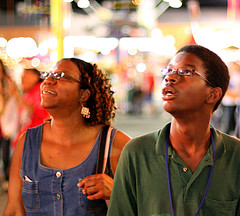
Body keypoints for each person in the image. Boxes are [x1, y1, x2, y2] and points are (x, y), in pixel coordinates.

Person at [107, 45, 240, 216]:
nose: (170, 77)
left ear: (212, 94)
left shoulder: (235, 156)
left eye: (186, 72)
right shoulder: (136, 153)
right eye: (168, 70)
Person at [3, 57, 131, 215]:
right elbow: (14, 209)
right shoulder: (27, 142)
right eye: (48, 75)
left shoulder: (114, 144)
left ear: (83, 95)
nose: (49, 80)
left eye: (61, 76)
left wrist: (117, 192)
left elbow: (144, 205)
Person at [11, 68, 50, 148]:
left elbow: (39, 112)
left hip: (34, 140)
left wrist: (19, 98)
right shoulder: (28, 93)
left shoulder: (41, 90)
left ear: (35, 77)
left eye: (25, 76)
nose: (22, 79)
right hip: (26, 139)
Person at [0, 59, 18, 190]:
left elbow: (15, 100)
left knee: (6, 151)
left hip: (6, 121)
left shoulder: (9, 82)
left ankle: (7, 177)